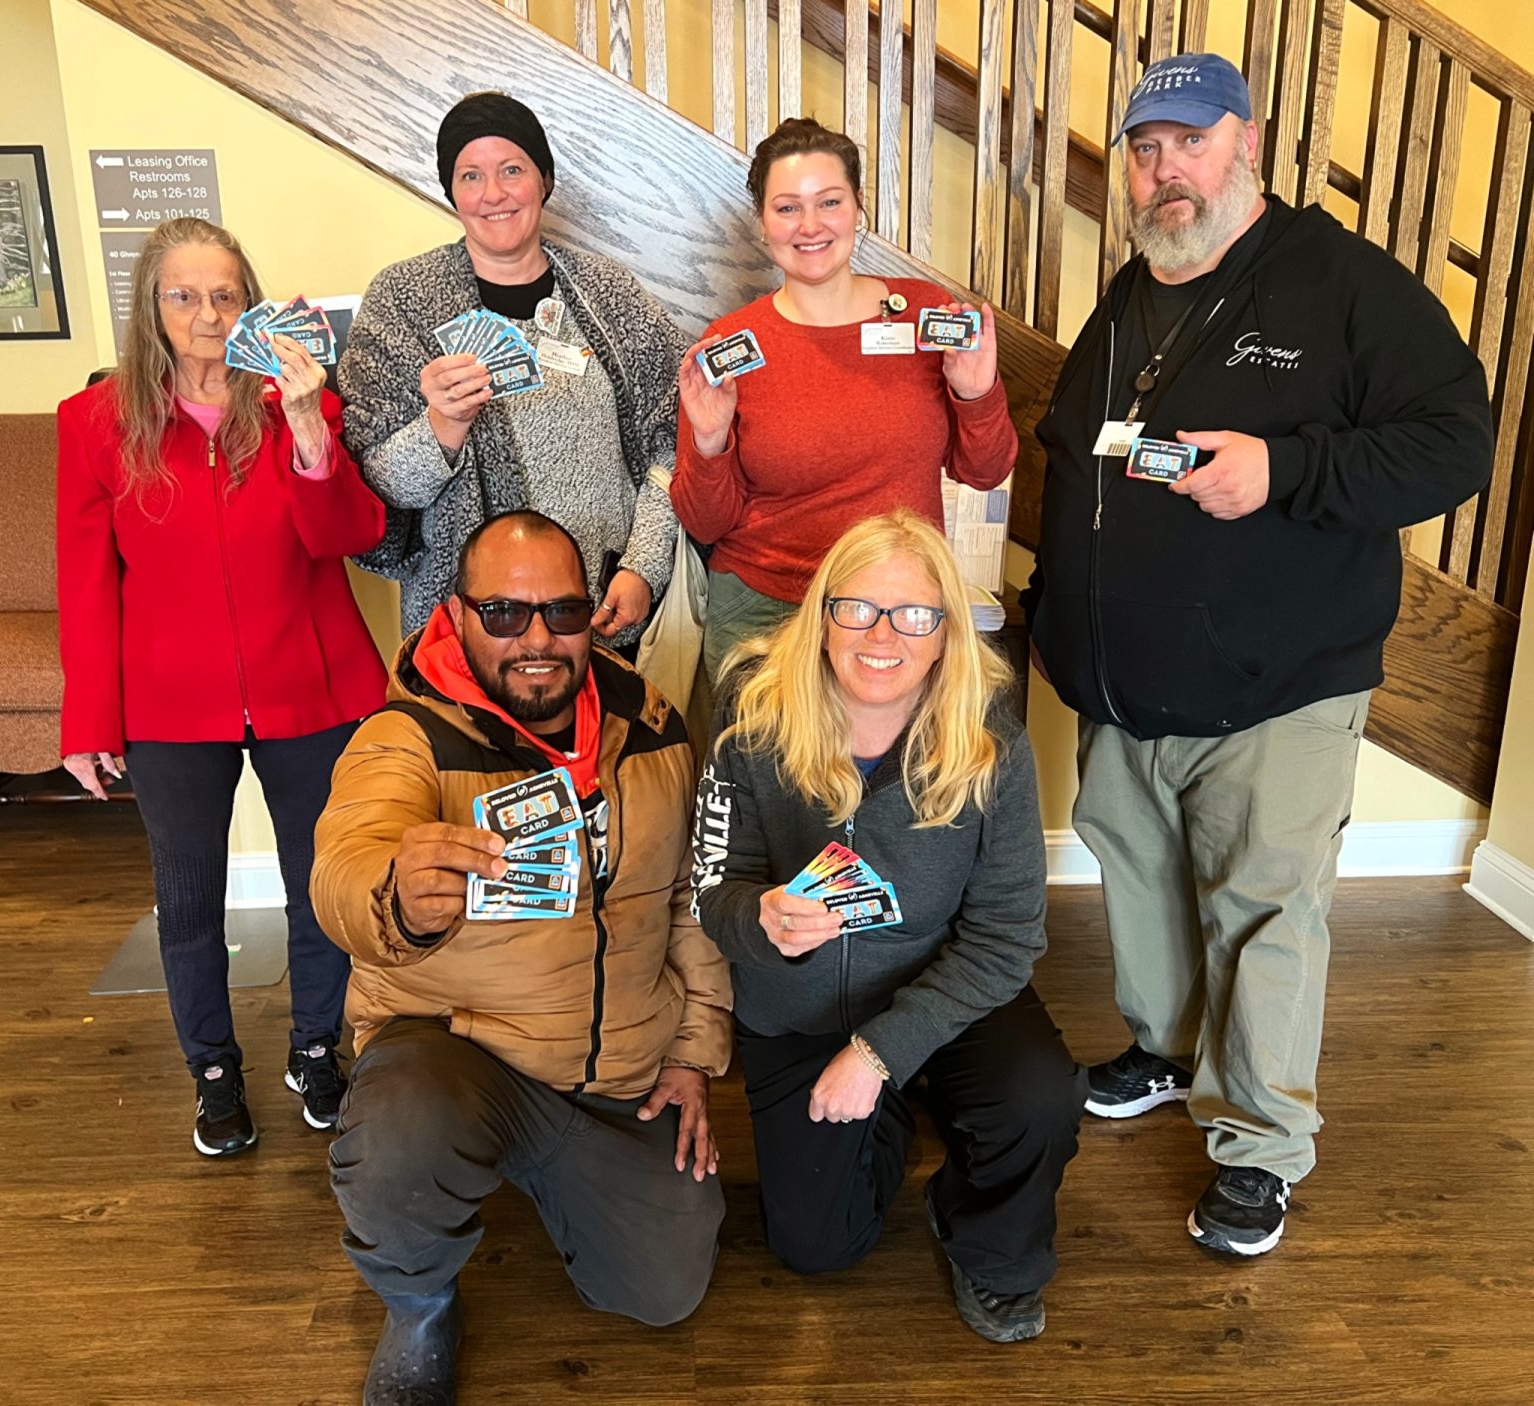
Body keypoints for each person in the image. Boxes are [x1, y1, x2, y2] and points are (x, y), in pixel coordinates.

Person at [1026, 53, 1494, 1256]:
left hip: (1277, 687)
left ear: (1248, 139)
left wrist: (1285, 468)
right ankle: (1168, 1049)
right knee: (1140, 884)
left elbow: (1455, 443)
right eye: (1144, 148)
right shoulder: (1134, 291)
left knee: (1265, 911)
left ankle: (1261, 1143)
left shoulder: (1343, 284)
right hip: (1124, 686)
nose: (1164, 169)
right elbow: (1085, 461)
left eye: (1190, 140)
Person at [310, 511, 731, 1405]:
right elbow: (343, 863)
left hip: (612, 1072)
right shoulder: (406, 735)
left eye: (562, 612)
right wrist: (396, 895)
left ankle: (542, 1170)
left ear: (591, 615)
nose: (537, 639)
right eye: (503, 613)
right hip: (461, 1051)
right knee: (399, 1137)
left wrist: (693, 1053)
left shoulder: (654, 727)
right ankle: (419, 1305)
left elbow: (691, 902)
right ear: (458, 614)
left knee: (665, 1288)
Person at [692, 509, 1083, 1343]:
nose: (882, 636)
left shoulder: (992, 743)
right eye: (858, 608)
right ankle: (898, 1108)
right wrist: (759, 920)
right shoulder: (750, 717)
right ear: (823, 617)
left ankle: (992, 1249)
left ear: (944, 635)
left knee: (1040, 1095)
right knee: (816, 1248)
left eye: (913, 615)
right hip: (797, 1009)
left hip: (940, 982)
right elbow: (711, 891)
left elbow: (1008, 938)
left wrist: (878, 1054)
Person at [55, 216, 388, 1156]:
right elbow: (87, 584)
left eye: (225, 296)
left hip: (310, 684)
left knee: (319, 889)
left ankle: (315, 1048)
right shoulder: (93, 423)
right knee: (190, 902)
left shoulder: (299, 401)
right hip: (169, 704)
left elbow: (348, 536)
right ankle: (212, 1071)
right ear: (151, 308)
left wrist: (309, 430)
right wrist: (88, 722)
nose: (207, 315)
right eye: (184, 296)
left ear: (251, 305)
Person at [672, 117, 1019, 682]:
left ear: (858, 208)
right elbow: (707, 525)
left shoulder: (924, 314)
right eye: (787, 208)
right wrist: (710, 442)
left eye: (829, 202)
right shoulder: (731, 346)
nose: (810, 225)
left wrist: (975, 392)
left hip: (897, 611)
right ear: (762, 223)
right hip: (769, 611)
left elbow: (985, 470)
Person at [339, 91, 690, 647]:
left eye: (511, 170)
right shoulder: (403, 301)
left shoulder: (609, 292)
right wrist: (443, 426)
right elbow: (377, 490)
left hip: (601, 612)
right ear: (451, 191)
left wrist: (643, 566)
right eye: (470, 176)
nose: (493, 194)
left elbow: (671, 442)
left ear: (543, 180)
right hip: (466, 630)